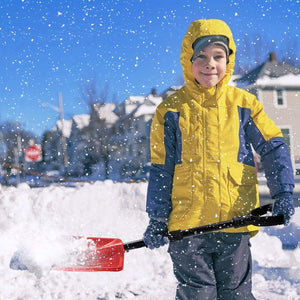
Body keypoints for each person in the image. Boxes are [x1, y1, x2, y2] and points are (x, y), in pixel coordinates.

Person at [143, 19, 295, 300]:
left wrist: (284, 191)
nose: (209, 63)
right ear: (187, 60)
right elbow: (161, 169)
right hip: (187, 230)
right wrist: (157, 218)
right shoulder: (170, 110)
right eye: (200, 56)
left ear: (229, 60)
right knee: (197, 295)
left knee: (236, 295)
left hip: (234, 223)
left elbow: (274, 147)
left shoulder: (244, 104)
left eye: (218, 56)